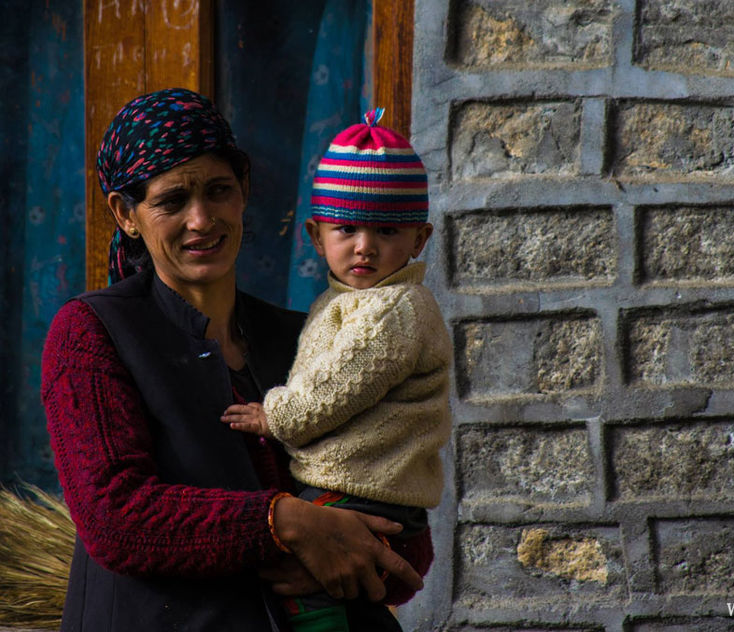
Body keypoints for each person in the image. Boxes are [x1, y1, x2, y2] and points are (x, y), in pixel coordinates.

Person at [41, 88, 422, 632]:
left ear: (243, 191)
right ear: (126, 214)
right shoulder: (92, 334)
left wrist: (352, 556)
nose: (201, 220)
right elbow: (115, 517)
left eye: (218, 191)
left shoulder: (312, 335)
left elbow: (403, 514)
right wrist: (287, 522)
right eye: (172, 201)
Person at [220, 109, 452, 632]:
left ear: (419, 240)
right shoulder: (344, 301)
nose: (364, 246)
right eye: (346, 228)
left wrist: (274, 416)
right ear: (315, 234)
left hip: (365, 488)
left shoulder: (396, 309)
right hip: (350, 481)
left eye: (387, 230)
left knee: (301, 585)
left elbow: (337, 389)